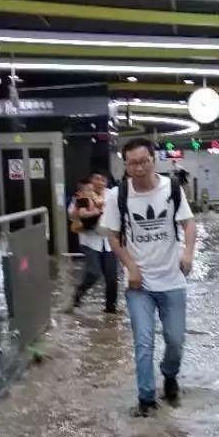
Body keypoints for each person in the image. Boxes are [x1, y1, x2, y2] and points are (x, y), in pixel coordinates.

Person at [101, 137, 197, 417]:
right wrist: (131, 267)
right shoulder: (117, 196)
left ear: (154, 160)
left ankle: (169, 374)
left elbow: (188, 223)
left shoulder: (172, 188)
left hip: (172, 280)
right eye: (133, 163)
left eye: (145, 161)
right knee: (143, 342)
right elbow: (114, 237)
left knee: (175, 340)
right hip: (139, 284)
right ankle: (145, 399)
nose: (140, 167)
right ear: (126, 165)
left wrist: (188, 253)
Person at [70, 172, 118, 313]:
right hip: (89, 240)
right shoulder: (82, 195)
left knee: (111, 277)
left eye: (103, 179)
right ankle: (78, 293)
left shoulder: (112, 195)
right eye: (97, 178)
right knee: (93, 272)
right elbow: (72, 215)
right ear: (91, 180)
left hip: (109, 241)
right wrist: (86, 210)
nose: (100, 182)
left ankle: (111, 310)